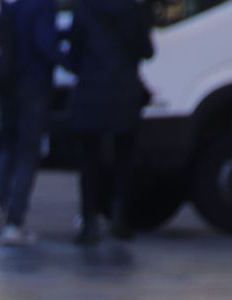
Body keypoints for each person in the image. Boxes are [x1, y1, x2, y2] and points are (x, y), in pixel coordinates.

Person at [66, 0, 153, 245]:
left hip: (91, 92)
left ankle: (89, 220)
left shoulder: (84, 9)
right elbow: (146, 50)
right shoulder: (134, 10)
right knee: (124, 157)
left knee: (88, 160)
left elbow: (74, 56)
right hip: (124, 91)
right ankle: (120, 215)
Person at [0, 0, 59, 246]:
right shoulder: (42, 6)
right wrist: (66, 59)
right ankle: (14, 220)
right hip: (32, 85)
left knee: (9, 145)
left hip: (8, 85)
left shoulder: (12, 4)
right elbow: (45, 44)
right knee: (28, 152)